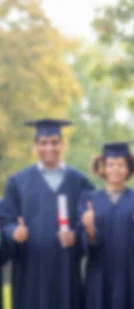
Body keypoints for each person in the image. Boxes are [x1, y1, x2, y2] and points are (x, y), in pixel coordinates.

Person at [0, 119, 95, 309]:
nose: (49, 148)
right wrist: (14, 233)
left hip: (66, 268)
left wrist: (76, 235)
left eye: (54, 142)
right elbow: (6, 220)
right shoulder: (17, 182)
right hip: (30, 269)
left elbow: (88, 222)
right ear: (35, 146)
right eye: (43, 143)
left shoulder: (80, 181)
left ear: (63, 144)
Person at [79, 142, 134, 309]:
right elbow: (84, 245)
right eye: (110, 164)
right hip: (99, 274)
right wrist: (90, 229)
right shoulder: (89, 199)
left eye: (121, 165)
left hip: (131, 273)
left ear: (129, 169)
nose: (115, 169)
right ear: (102, 168)